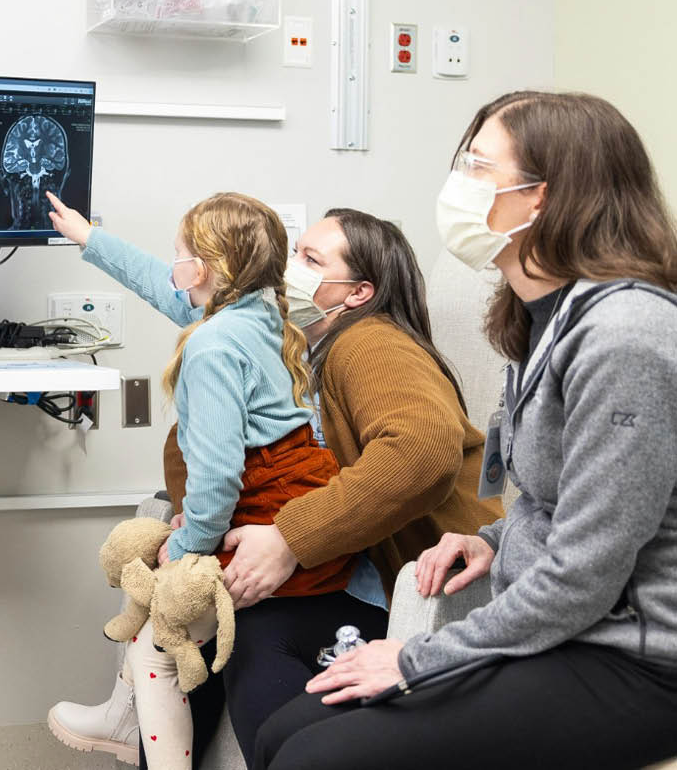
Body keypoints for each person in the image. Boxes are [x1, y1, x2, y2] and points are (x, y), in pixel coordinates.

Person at [256, 92, 677, 770]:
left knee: (317, 757)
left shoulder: (625, 337)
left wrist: (418, 657)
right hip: (567, 629)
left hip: (635, 658)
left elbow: (587, 570)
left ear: (545, 197)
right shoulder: (543, 320)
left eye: (479, 167)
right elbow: (573, 499)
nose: (458, 185)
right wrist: (493, 539)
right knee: (287, 729)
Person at [50, 208, 502, 767]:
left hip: (410, 580)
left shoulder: (371, 344)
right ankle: (132, 715)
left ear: (359, 293)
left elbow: (421, 454)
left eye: (312, 260)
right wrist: (91, 239)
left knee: (240, 626)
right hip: (344, 560)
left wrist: (286, 538)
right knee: (200, 606)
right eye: (295, 254)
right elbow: (183, 295)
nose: (290, 271)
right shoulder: (278, 336)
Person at [46, 190, 361, 770]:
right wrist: (91, 238)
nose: (173, 269)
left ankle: (136, 734)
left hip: (266, 523)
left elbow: (215, 481)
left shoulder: (213, 345)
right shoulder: (265, 313)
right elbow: (159, 285)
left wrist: (186, 546)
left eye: (180, 257)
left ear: (209, 269)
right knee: (150, 557)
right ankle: (120, 715)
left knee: (158, 641)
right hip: (299, 499)